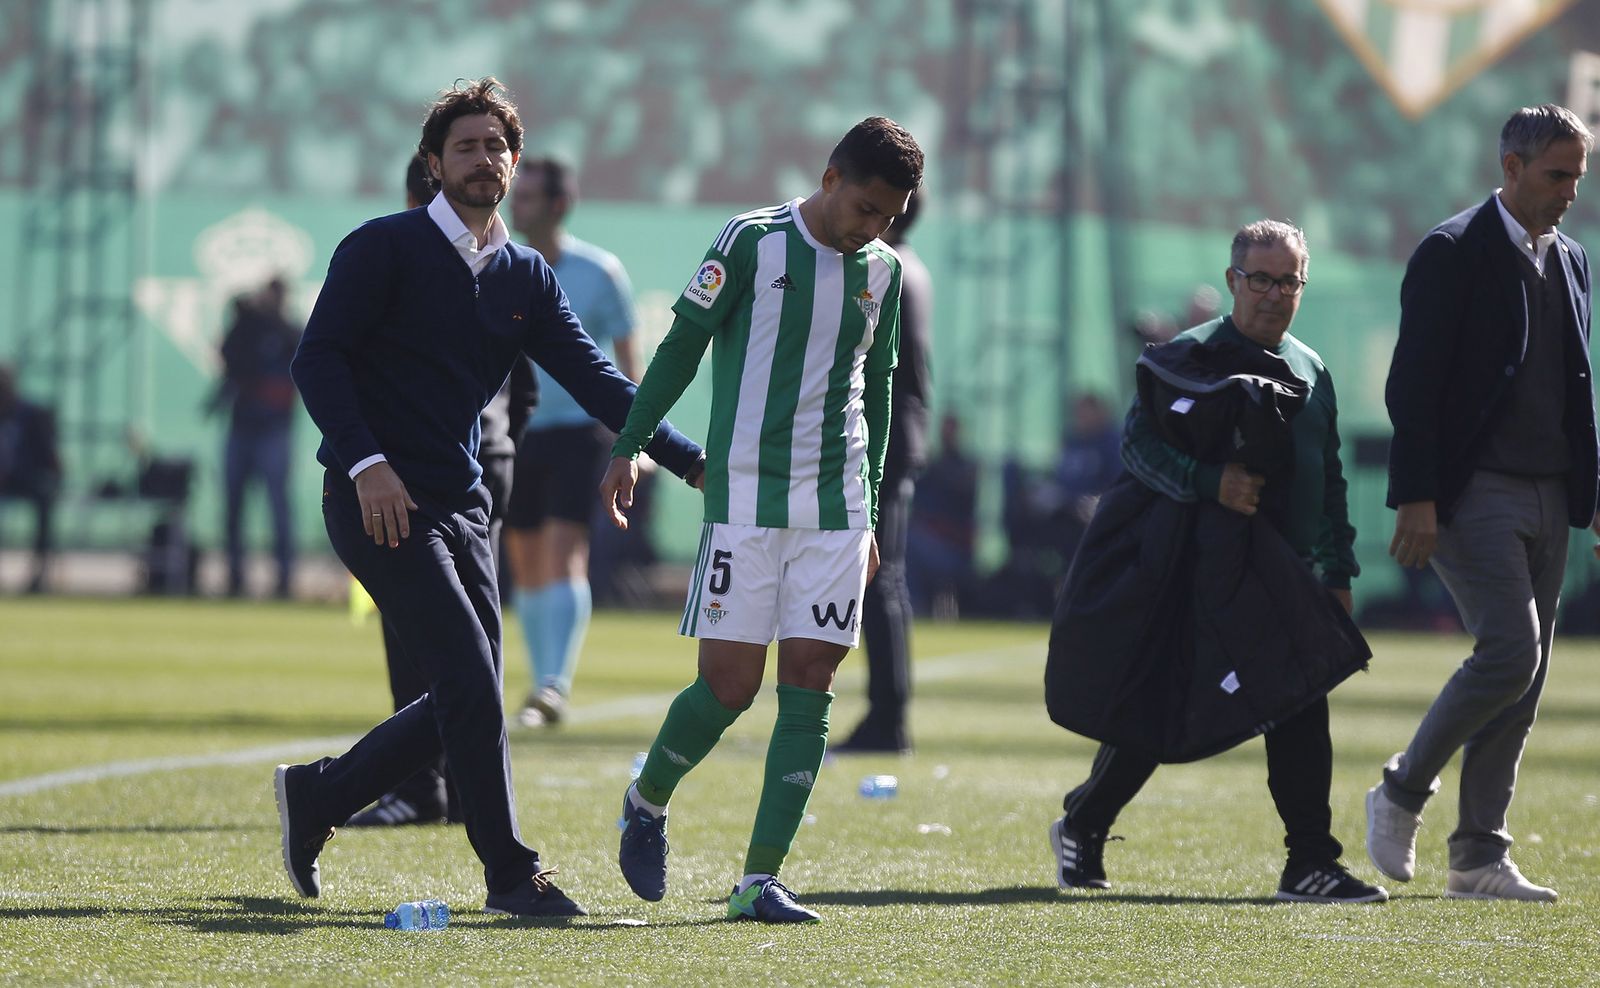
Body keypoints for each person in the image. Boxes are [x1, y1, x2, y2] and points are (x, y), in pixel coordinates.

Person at [277, 78, 704, 918]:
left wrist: (692, 461)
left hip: (466, 507)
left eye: (497, 147)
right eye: (466, 146)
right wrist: (367, 464)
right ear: (433, 164)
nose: (485, 160)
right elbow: (315, 361)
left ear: (512, 164)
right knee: (470, 679)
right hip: (377, 502)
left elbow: (598, 381)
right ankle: (511, 873)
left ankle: (320, 796)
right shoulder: (382, 248)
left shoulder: (525, 275)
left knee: (467, 693)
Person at [601, 116, 925, 924]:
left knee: (809, 682)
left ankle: (760, 878)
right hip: (743, 499)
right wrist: (630, 444)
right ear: (829, 177)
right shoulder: (751, 241)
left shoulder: (880, 272)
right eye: (864, 208)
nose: (872, 228)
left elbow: (877, 391)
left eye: (888, 217)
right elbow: (680, 346)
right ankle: (647, 800)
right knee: (730, 687)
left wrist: (872, 510)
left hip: (837, 506)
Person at [1049, 220, 1387, 904]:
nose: (1272, 294)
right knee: (1159, 704)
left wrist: (1338, 569)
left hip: (1281, 572)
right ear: (1234, 280)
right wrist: (1212, 483)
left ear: (1302, 285)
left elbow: (1329, 479)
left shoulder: (1312, 368)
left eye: (1287, 280)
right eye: (1259, 279)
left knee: (1301, 698)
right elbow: (1139, 451)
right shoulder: (1185, 355)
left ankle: (1310, 862)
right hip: (1192, 564)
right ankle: (1084, 821)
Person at [1368, 104, 1597, 903]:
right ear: (1510, 166)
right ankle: (1401, 790)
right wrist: (1416, 497)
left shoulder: (1570, 258)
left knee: (1523, 685)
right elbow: (1414, 384)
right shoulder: (1451, 251)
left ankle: (1477, 858)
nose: (1571, 190)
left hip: (1551, 490)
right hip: (1475, 490)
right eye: (1556, 173)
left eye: (1578, 174)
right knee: (1510, 653)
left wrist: (1593, 497)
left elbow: (1575, 391)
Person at [342, 155, 538, 829]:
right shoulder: (406, 250)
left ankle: (411, 786)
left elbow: (571, 368)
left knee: (437, 645)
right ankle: (467, 800)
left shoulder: (503, 266)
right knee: (469, 652)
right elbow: (321, 358)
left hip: (453, 477)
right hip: (447, 471)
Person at [504, 157, 641, 729]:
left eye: (530, 195)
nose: (518, 204)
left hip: (579, 433)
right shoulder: (501, 265)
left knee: (565, 552)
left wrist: (629, 433)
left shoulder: (599, 271)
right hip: (514, 432)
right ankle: (543, 684)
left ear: (558, 205)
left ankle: (555, 684)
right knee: (525, 558)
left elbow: (627, 350)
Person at [834, 189, 931, 755]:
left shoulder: (890, 270)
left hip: (888, 439)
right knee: (880, 576)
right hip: (901, 436)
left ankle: (888, 719)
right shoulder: (910, 267)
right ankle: (886, 715)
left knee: (881, 576)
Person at [213, 276, 300, 598]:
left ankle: (285, 579)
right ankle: (235, 576)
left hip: (274, 429)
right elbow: (227, 354)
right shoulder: (248, 328)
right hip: (242, 427)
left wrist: (270, 319)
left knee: (278, 506)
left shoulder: (288, 331)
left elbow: (300, 359)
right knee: (233, 507)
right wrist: (247, 316)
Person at [906, 412, 978, 617]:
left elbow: (961, 498)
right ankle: (914, 604)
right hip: (930, 543)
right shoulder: (932, 466)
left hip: (953, 549)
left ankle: (916, 606)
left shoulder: (966, 468)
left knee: (909, 543)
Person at [0, 363, 62, 593]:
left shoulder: (32, 414)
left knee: (45, 497)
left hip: (27, 479)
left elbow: (50, 456)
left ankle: (39, 573)